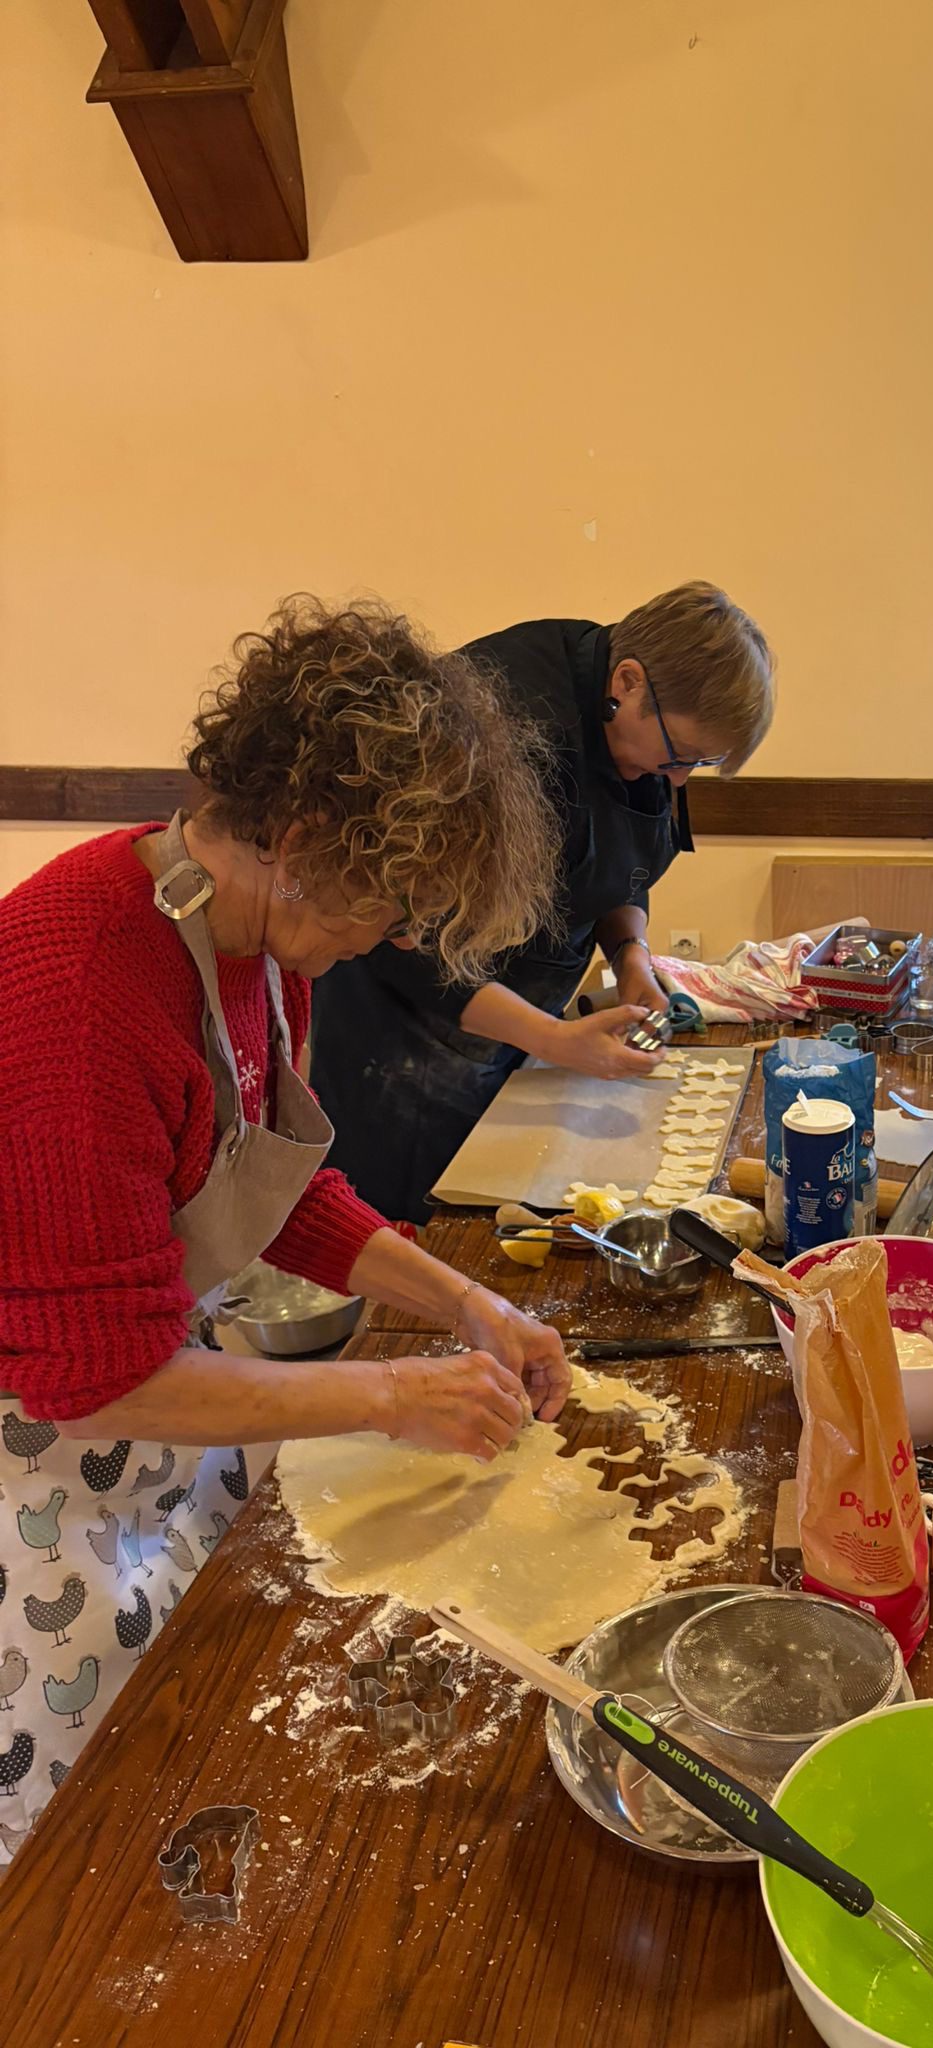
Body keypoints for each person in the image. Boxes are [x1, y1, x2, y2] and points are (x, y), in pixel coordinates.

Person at [0, 596, 572, 1862]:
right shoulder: (81, 990)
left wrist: (463, 1301)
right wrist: (392, 1394)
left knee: (206, 1714)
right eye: (394, 903)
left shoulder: (253, 946)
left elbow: (272, 1186)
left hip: (160, 1399)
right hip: (38, 1461)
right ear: (303, 839)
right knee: (82, 1834)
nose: (391, 939)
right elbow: (97, 1378)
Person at [309, 582, 775, 1223]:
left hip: (525, 1009)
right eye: (680, 757)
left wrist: (631, 957)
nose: (679, 777)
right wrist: (553, 1039)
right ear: (629, 681)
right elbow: (406, 941)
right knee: (432, 1220)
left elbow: (622, 860)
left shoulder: (640, 725)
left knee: (520, 1200)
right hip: (408, 1029)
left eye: (699, 763)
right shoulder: (495, 729)